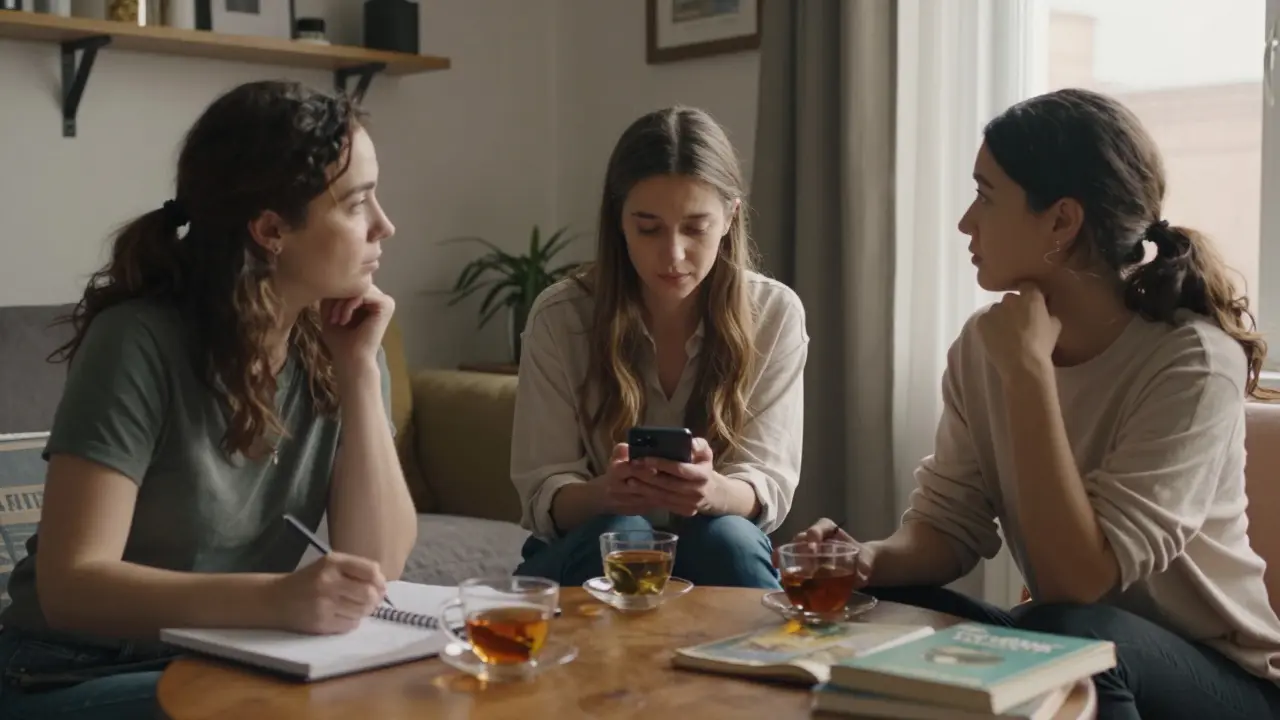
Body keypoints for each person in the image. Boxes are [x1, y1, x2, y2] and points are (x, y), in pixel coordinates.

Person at [787, 87, 1280, 719]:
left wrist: (1027, 375)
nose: (967, 221)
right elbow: (949, 529)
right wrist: (865, 561)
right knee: (890, 611)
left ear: (1061, 221)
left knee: (1069, 631)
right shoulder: (982, 346)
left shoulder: (1191, 363)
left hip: (1221, 681)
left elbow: (1076, 582)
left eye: (986, 196)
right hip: (1069, 631)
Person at [0, 80, 418, 719]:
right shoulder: (138, 342)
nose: (385, 225)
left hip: (229, 659)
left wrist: (360, 371)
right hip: (68, 671)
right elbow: (71, 585)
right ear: (272, 229)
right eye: (358, 202)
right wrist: (274, 599)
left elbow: (377, 564)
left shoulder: (341, 342)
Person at [509, 107, 808, 590]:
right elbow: (544, 490)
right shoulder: (560, 318)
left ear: (731, 218)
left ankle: (773, 664)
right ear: (619, 221)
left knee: (727, 541)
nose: (673, 255)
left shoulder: (774, 314)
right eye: (649, 228)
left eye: (695, 228)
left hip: (716, 539)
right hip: (588, 541)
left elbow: (765, 484)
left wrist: (712, 491)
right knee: (623, 535)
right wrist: (606, 493)